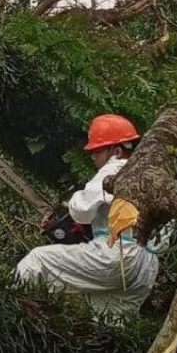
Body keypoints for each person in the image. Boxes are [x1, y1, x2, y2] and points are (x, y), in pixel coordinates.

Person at [15, 114, 159, 322]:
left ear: (116, 151)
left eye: (97, 151)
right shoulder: (151, 175)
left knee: (39, 261)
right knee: (109, 323)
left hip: (118, 256)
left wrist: (69, 205)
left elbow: (81, 211)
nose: (93, 157)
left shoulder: (115, 167)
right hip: (147, 264)